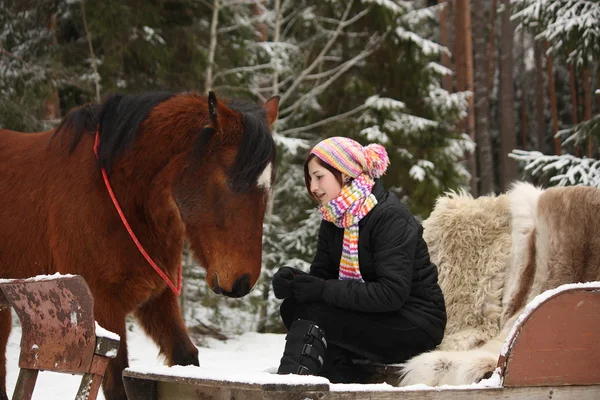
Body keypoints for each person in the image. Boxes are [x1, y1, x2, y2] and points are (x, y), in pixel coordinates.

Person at [272, 137, 446, 383]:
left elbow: (391, 294)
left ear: (344, 174)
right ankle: (344, 380)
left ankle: (291, 388)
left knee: (313, 312)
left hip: (415, 322)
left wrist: (320, 289)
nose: (313, 187)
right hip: (375, 316)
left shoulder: (390, 217)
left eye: (319, 177)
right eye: (310, 178)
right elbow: (323, 279)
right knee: (293, 307)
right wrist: (295, 282)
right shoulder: (334, 218)